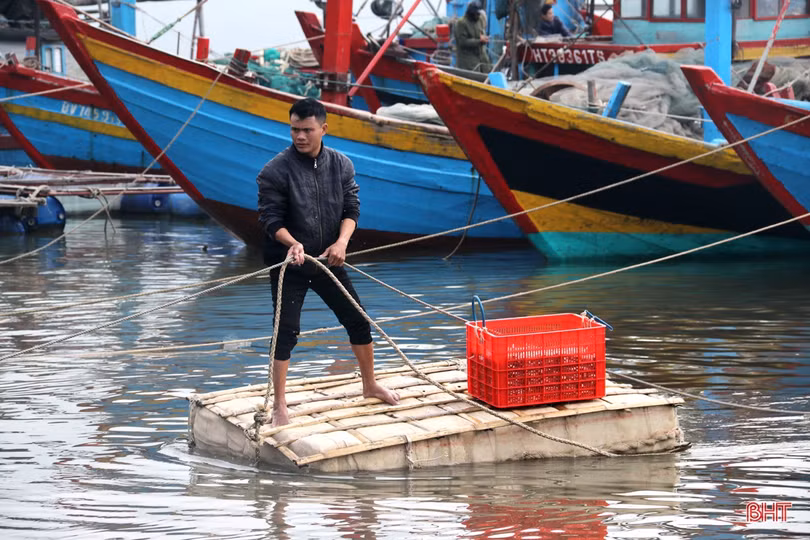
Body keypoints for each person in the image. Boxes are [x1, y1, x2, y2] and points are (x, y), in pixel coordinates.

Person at [256, 97, 400, 427]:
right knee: (286, 331)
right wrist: (293, 244)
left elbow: (351, 210)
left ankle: (369, 385)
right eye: (294, 129)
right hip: (288, 263)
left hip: (328, 260)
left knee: (358, 320)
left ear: (323, 129)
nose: (299, 136)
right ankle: (280, 405)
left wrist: (342, 242)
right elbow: (269, 220)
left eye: (307, 130)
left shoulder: (341, 164)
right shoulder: (274, 171)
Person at [454, 1, 492, 73]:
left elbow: (481, 34)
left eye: (478, 14)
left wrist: (484, 38)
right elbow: (463, 42)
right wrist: (479, 41)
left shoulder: (479, 20)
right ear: (471, 13)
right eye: (476, 14)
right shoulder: (461, 23)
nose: (477, 15)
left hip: (482, 61)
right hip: (468, 64)